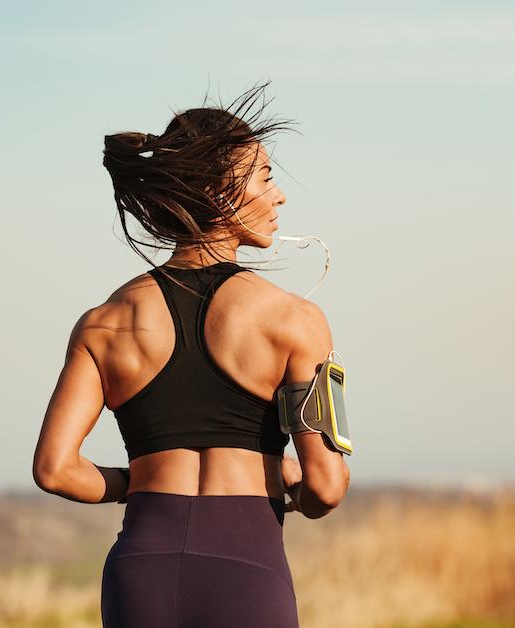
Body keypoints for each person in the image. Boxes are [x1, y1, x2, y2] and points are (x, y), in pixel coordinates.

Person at [31, 81, 350, 627]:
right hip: (246, 570)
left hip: (141, 568)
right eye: (267, 178)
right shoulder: (295, 321)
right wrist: (286, 481)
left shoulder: (103, 323)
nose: (280, 197)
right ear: (222, 191)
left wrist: (144, 482)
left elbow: (57, 470)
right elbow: (325, 486)